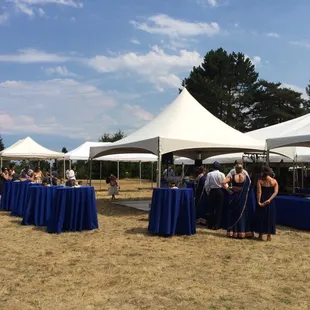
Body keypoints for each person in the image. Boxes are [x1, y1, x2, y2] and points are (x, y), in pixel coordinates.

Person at [222, 163, 253, 238]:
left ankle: (233, 232)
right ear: (242, 170)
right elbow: (249, 186)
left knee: (233, 213)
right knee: (242, 213)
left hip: (234, 196)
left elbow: (223, 182)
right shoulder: (246, 178)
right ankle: (243, 231)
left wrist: (229, 190)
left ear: (235, 169)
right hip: (242, 197)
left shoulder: (232, 176)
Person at [254, 165, 278, 241]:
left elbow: (259, 192)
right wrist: (270, 200)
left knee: (261, 216)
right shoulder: (274, 181)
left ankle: (260, 234)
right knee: (270, 216)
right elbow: (276, 192)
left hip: (263, 198)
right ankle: (269, 235)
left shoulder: (260, 181)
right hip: (270, 200)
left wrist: (258, 201)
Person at [205, 162, 225, 230]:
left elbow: (206, 185)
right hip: (219, 191)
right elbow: (224, 184)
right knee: (219, 209)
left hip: (212, 191)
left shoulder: (209, 174)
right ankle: (217, 225)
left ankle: (210, 224)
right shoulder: (222, 174)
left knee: (211, 209)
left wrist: (208, 192)